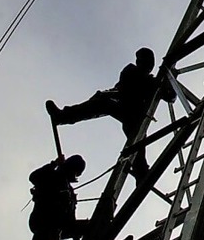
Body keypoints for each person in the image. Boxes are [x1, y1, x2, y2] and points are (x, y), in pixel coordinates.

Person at [45, 48, 174, 179]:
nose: (138, 62)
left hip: (135, 116)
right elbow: (120, 90)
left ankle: (141, 172)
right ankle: (63, 116)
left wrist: (168, 80)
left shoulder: (152, 81)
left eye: (141, 60)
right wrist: (104, 94)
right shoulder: (131, 71)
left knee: (137, 142)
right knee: (102, 105)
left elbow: (171, 96)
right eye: (138, 60)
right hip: (126, 110)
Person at [28, 155, 133, 240]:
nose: (75, 175)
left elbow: (71, 219)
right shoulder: (53, 177)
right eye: (75, 172)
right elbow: (34, 177)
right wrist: (54, 163)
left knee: (92, 226)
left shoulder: (69, 192)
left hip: (61, 223)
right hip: (45, 221)